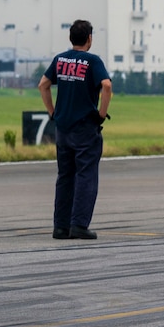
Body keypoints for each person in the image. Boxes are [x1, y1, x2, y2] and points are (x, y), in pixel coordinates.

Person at [38, 19, 111, 241]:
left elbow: (43, 84)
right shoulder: (92, 61)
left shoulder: (60, 60)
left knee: (65, 176)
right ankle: (79, 224)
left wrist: (52, 112)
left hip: (63, 128)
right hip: (84, 128)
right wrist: (101, 113)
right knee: (85, 175)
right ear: (89, 38)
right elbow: (106, 85)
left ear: (71, 38)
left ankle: (60, 226)